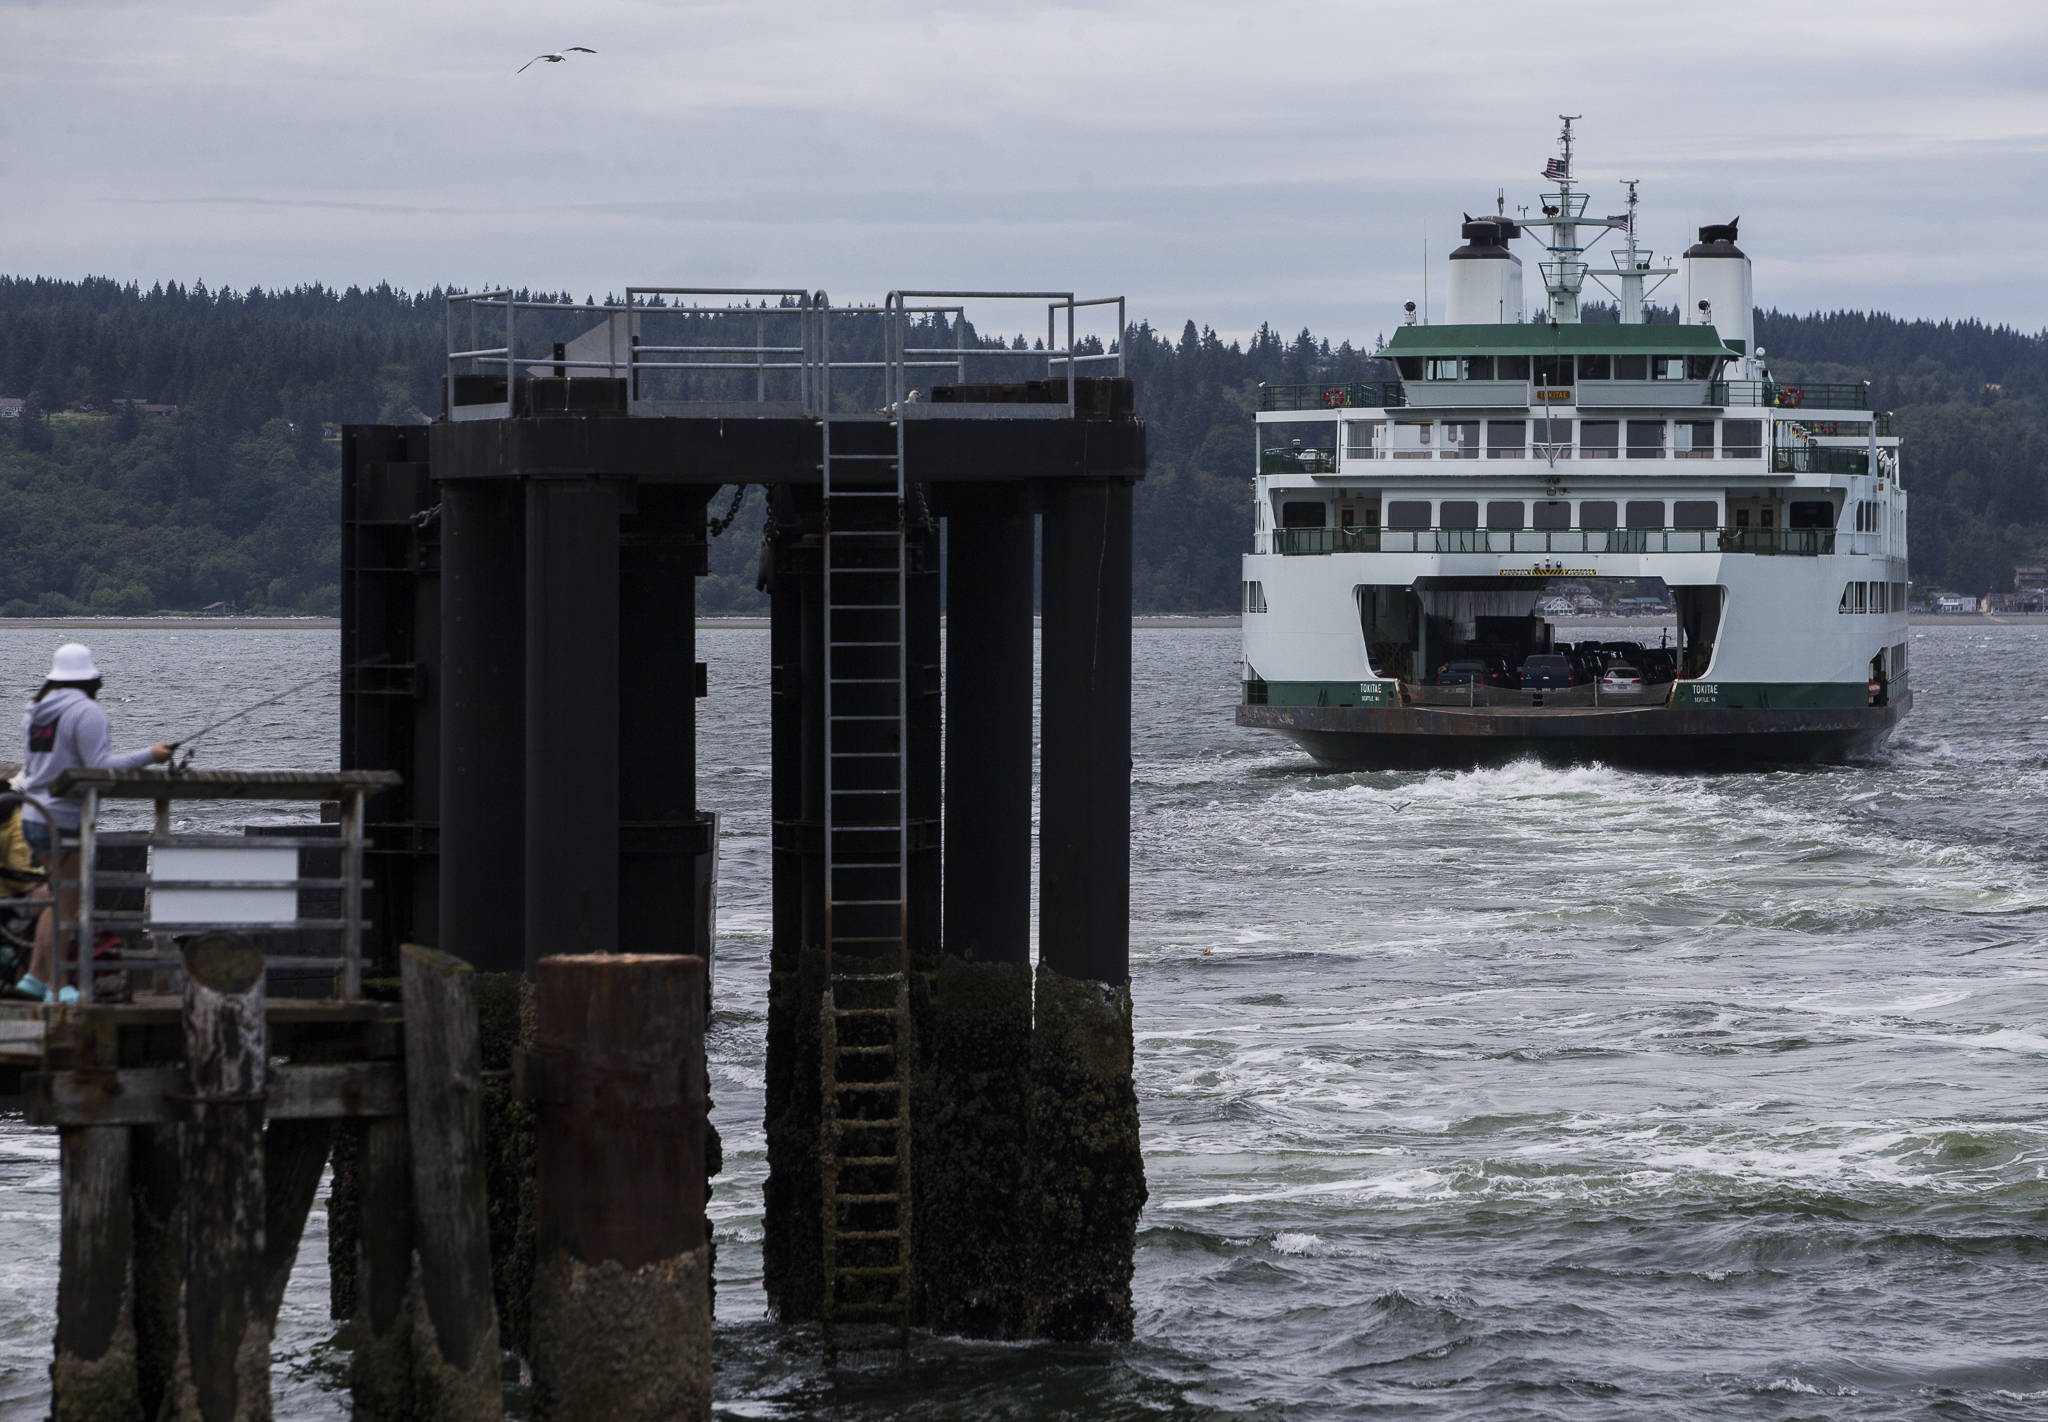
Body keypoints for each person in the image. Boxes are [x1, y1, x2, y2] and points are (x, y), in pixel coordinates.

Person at [13, 644, 171, 1003]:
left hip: (34, 814)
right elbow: (98, 767)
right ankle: (58, 986)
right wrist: (151, 755)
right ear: (92, 678)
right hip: (66, 818)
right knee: (66, 905)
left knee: (55, 895)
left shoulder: (36, 711)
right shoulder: (87, 712)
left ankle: (35, 978)